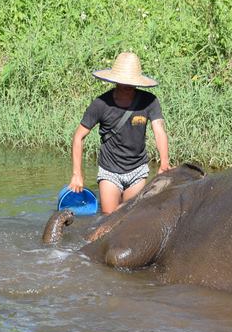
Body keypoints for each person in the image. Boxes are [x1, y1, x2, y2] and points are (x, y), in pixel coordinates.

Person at [68, 51, 172, 215]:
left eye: (130, 82)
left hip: (137, 170)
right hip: (110, 171)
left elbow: (159, 130)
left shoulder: (149, 101)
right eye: (123, 82)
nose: (126, 86)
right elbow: (78, 137)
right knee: (108, 218)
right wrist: (77, 174)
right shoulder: (101, 104)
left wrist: (164, 163)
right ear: (115, 80)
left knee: (129, 218)